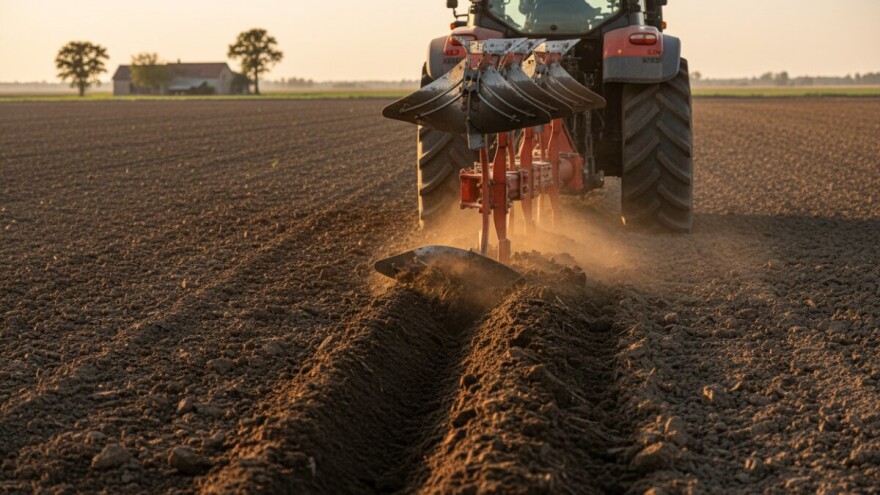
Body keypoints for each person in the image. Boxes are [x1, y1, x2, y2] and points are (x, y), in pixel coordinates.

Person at [520, 0, 601, 31]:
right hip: (571, 33)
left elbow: (523, 9)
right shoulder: (576, 1)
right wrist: (597, 11)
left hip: (539, 32)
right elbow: (590, 13)